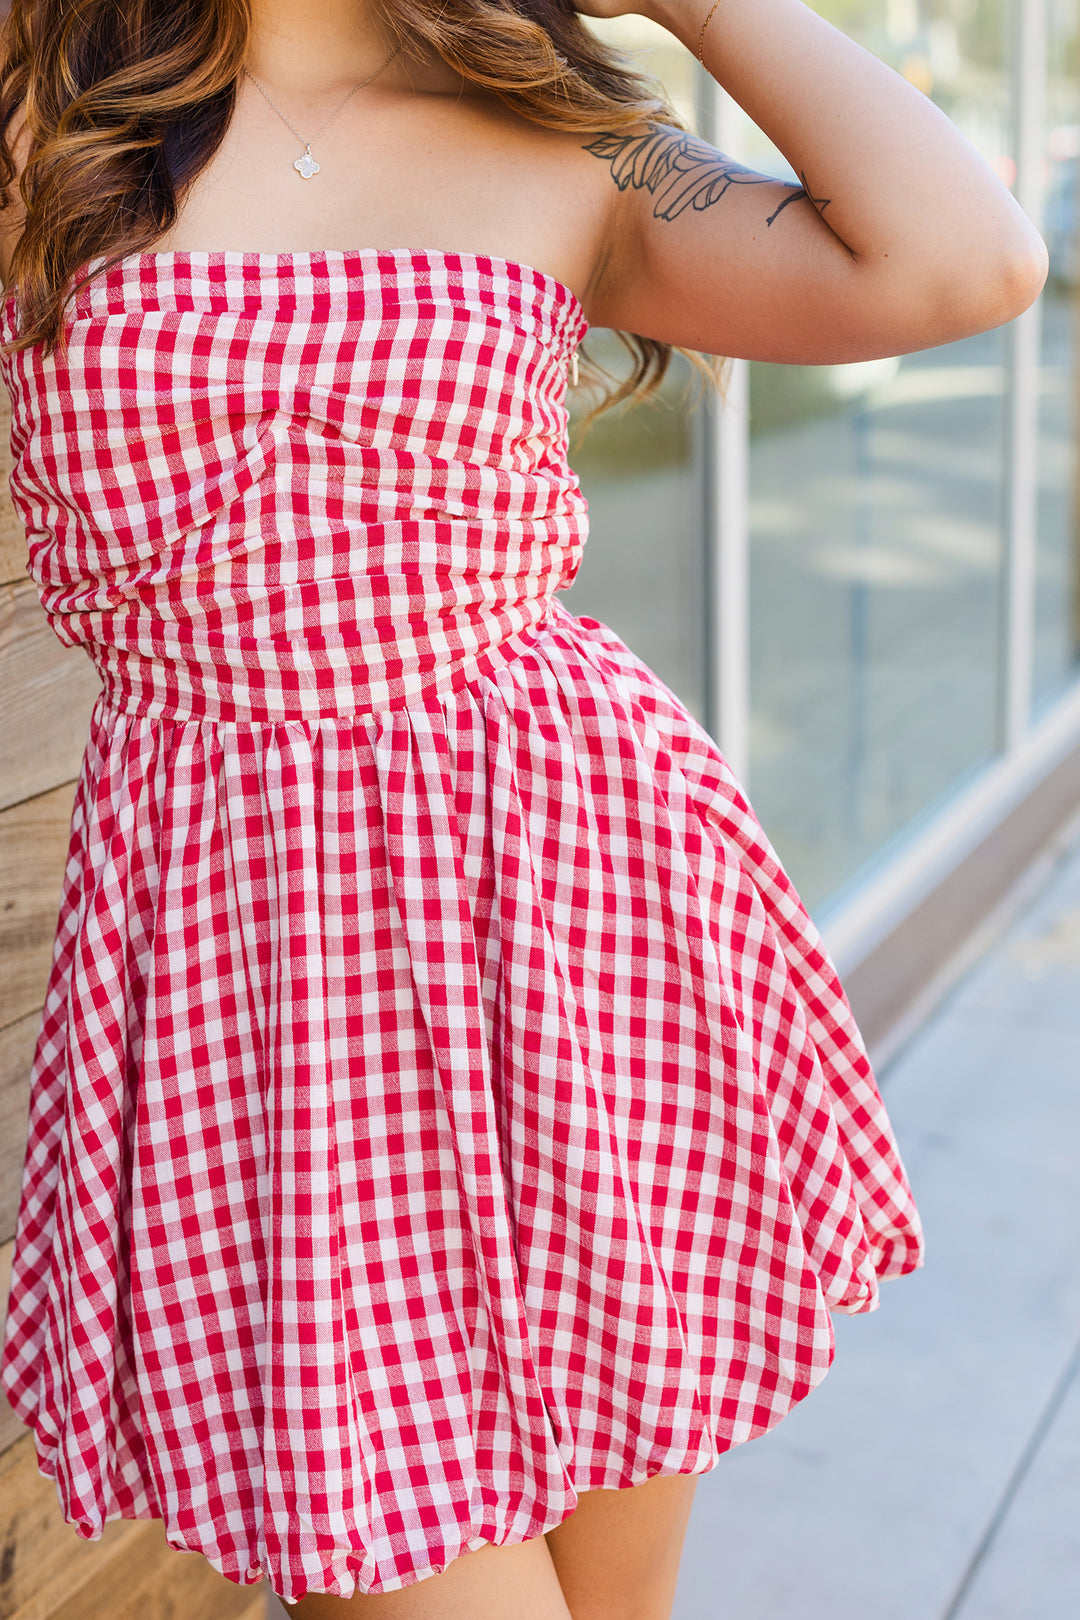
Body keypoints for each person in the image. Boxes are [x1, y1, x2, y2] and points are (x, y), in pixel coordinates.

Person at [0, 0, 1045, 1616]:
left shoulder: (573, 138)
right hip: (258, 986)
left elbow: (957, 263)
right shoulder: (36, 128)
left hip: (576, 937)